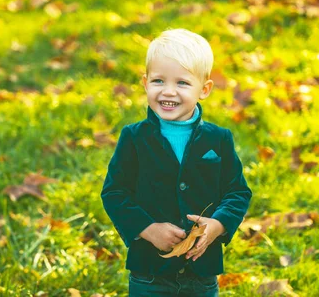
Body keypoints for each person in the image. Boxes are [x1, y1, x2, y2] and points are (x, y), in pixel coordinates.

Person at [101, 28, 252, 296]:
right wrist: (147, 229)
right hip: (149, 273)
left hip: (201, 273)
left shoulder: (218, 140)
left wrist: (217, 225)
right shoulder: (134, 138)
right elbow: (114, 193)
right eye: (159, 81)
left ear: (204, 89)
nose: (168, 92)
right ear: (145, 83)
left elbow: (237, 192)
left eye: (182, 83)